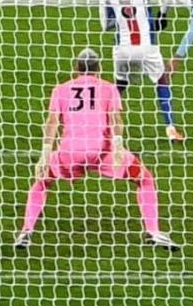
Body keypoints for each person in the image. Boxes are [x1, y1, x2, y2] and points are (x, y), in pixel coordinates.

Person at [15, 48, 178, 251]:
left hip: (69, 153)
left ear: (76, 68)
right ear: (98, 69)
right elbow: (116, 119)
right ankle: (153, 231)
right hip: (102, 152)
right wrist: (118, 148)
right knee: (144, 179)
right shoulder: (109, 88)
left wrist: (45, 155)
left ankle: (26, 231)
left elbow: (51, 121)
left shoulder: (61, 89)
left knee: (42, 183)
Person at [99, 0, 185, 142]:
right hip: (147, 46)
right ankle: (170, 127)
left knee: (120, 86)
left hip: (122, 49)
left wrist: (116, 17)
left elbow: (105, 26)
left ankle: (104, 128)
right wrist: (162, 15)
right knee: (162, 81)